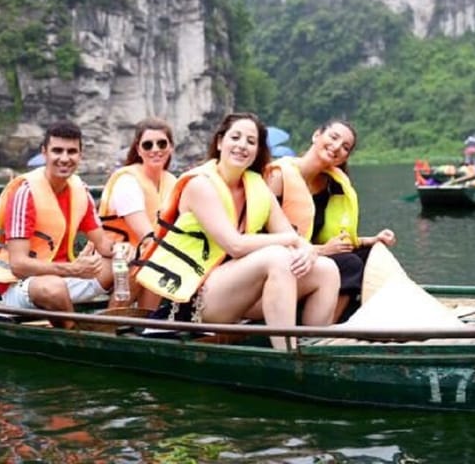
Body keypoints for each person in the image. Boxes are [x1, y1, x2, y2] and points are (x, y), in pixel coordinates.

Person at [136, 112, 339, 349]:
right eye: (236, 137)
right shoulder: (200, 184)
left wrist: (308, 251)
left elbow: (292, 237)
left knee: (327, 269)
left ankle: (315, 347)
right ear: (220, 142)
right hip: (195, 298)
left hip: (236, 293)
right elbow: (235, 245)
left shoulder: (257, 186)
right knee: (277, 257)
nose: (242, 145)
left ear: (256, 151)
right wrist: (289, 240)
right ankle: (289, 355)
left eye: (251, 142)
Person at [0, 120, 115, 322]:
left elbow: (104, 246)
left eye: (71, 152)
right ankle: (75, 335)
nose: (64, 158)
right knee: (52, 287)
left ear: (80, 155)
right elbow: (18, 265)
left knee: (123, 265)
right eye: (57, 151)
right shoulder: (25, 194)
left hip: (65, 278)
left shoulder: (80, 192)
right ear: (44, 153)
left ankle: (113, 323)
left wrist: (126, 251)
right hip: (21, 285)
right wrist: (73, 269)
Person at [265, 119, 396, 322]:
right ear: (317, 135)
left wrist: (372, 240)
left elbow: (329, 239)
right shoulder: (279, 177)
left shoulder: (329, 185)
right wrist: (322, 251)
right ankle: (326, 326)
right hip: (282, 261)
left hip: (313, 255)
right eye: (333, 137)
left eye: (345, 147)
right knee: (350, 264)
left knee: (369, 254)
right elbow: (261, 236)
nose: (336, 147)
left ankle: (342, 314)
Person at [98, 117, 178, 308]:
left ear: (171, 147)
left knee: (156, 260)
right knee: (150, 260)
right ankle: (111, 323)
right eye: (148, 145)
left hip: (150, 256)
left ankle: (148, 321)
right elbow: (147, 236)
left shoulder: (172, 182)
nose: (155, 149)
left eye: (161, 143)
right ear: (139, 149)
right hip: (115, 258)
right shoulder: (128, 181)